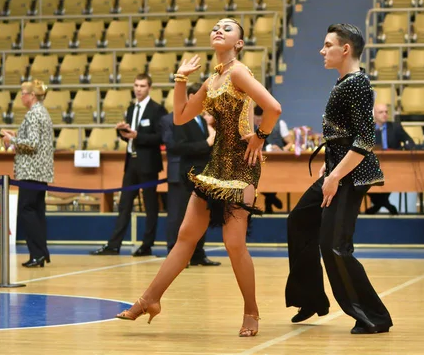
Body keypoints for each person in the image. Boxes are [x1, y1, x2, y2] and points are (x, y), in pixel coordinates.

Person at [115, 18, 282, 337]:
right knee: (186, 237)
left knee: (234, 244)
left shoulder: (238, 72)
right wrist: (180, 79)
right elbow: (179, 116)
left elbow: (273, 107)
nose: (219, 30)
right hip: (216, 164)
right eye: (216, 27)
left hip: (242, 165)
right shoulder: (212, 80)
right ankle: (150, 299)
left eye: (228, 28)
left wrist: (260, 137)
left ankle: (251, 311)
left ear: (239, 44)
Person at [285, 24, 393, 334]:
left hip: (349, 176)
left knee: (335, 247)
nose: (322, 50)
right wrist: (327, 166)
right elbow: (344, 136)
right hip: (337, 169)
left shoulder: (356, 84)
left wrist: (334, 175)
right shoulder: (345, 82)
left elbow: (364, 140)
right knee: (300, 221)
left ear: (344, 49)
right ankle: (312, 298)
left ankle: (374, 317)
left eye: (327, 44)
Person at [91, 74, 167, 257]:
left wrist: (137, 136)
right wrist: (122, 132)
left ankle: (146, 245)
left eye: (142, 85)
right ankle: (114, 245)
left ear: (149, 87)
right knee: (124, 204)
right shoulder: (131, 108)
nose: (138, 89)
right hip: (131, 162)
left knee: (150, 207)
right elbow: (129, 137)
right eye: (136, 85)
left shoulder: (157, 110)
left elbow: (161, 137)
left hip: (148, 164)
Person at [160, 83, 220, 266]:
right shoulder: (181, 119)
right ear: (193, 97)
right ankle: (176, 255)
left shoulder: (201, 120)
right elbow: (178, 147)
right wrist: (207, 144)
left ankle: (198, 254)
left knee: (201, 215)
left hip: (203, 174)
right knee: (179, 215)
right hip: (187, 174)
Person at [1, 80, 54, 268]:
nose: (21, 96)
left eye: (23, 93)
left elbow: (31, 143)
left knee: (27, 210)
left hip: (31, 171)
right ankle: (42, 252)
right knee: (37, 211)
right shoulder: (42, 112)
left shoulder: (33, 114)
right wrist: (15, 136)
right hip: (41, 171)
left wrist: (11, 139)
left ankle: (37, 253)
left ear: (32, 95)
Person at [365, 103, 415, 215]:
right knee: (364, 179)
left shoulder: (395, 127)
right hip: (372, 166)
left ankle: (378, 205)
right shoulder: (367, 129)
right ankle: (385, 204)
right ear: (374, 115)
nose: (385, 114)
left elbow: (410, 141)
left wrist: (406, 147)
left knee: (390, 177)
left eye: (386, 112)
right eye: (381, 112)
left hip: (393, 166)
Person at [253, 105, 292, 213]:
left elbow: (290, 143)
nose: (258, 123)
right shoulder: (249, 126)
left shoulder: (280, 124)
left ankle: (270, 199)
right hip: (257, 162)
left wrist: (282, 149)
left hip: (276, 162)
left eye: (260, 120)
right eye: (256, 120)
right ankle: (271, 198)